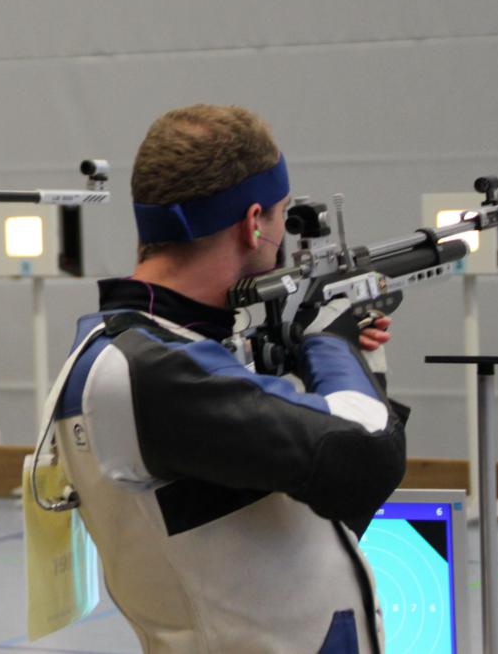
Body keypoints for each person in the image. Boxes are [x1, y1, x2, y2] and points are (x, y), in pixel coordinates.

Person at [50, 104, 406, 653]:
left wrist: (332, 363)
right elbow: (364, 458)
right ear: (253, 221)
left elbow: (325, 512)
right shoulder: (152, 371)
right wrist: (331, 345)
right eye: (282, 218)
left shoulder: (165, 351)